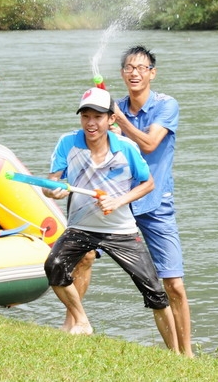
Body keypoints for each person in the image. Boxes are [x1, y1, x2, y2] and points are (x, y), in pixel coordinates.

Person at [69, 45, 194, 356]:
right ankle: (74, 327)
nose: (134, 72)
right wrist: (101, 123)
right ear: (122, 73)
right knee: (82, 258)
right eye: (129, 68)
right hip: (113, 201)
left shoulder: (166, 105)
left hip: (154, 204)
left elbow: (150, 144)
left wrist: (119, 120)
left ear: (152, 73)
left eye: (141, 68)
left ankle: (186, 356)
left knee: (173, 285)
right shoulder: (113, 107)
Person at [42, 87, 178, 353]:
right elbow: (52, 182)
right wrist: (52, 189)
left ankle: (176, 354)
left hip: (122, 230)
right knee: (54, 265)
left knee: (155, 293)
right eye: (86, 117)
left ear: (111, 119)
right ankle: (81, 320)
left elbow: (148, 183)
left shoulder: (125, 147)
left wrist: (118, 201)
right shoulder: (67, 143)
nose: (91, 123)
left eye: (98, 117)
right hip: (81, 227)